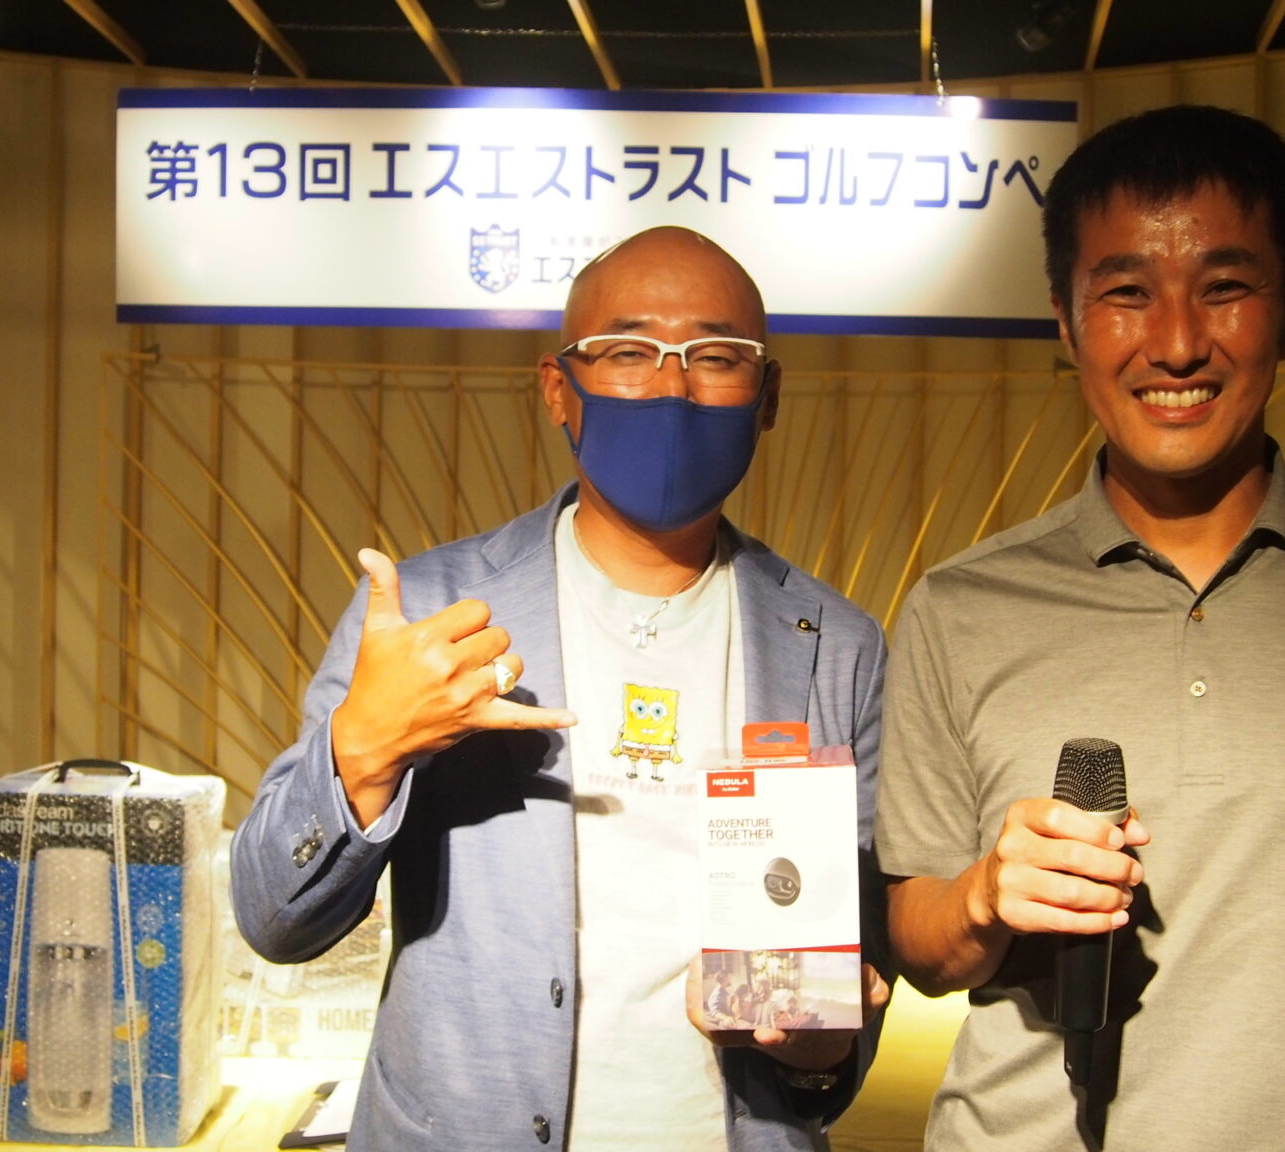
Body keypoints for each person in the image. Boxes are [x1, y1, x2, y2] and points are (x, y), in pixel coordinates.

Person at [876, 105, 1285, 1151]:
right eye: (1126, 293)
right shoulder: (958, 608)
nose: (1177, 344)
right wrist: (984, 896)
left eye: (1224, 287)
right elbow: (918, 939)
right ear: (1066, 324)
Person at [231, 226, 892, 1152]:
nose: (671, 388)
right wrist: (362, 751)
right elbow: (274, 917)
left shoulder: (839, 646)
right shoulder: (426, 612)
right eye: (627, 352)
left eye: (715, 357)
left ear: (768, 395)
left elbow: (846, 998)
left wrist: (820, 1050)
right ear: (556, 388)